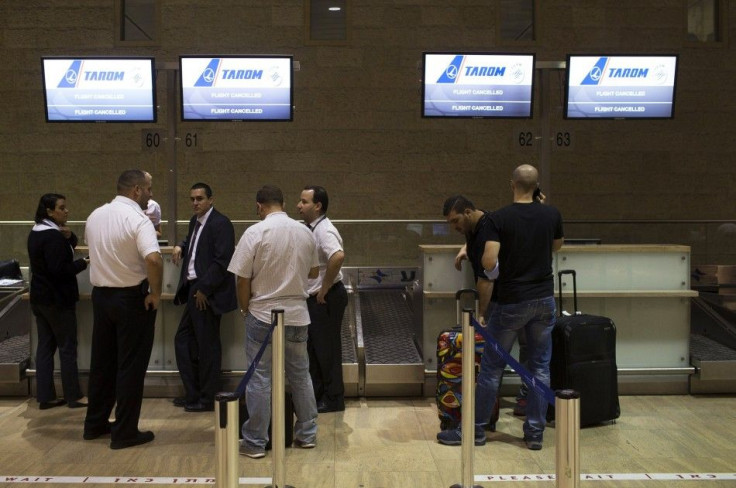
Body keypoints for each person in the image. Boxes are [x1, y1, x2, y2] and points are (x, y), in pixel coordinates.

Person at [438, 164, 564, 451]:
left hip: (512, 301)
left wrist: (488, 265)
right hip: (544, 299)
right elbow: (557, 246)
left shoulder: (500, 218)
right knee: (540, 367)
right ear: (536, 185)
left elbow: (489, 261)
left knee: (492, 369)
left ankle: (476, 431)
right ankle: (534, 434)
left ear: (512, 185)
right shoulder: (552, 213)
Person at [228, 185, 319, 459]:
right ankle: (307, 434)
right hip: (298, 314)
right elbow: (314, 270)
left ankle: (255, 442)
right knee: (300, 375)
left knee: (260, 378)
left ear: (259, 206)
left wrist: (245, 310)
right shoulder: (305, 231)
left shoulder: (255, 232)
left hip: (262, 314)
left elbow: (242, 279)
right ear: (283, 203)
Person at [83, 169, 163, 450]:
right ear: (137, 191)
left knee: (102, 364)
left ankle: (94, 424)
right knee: (130, 366)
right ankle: (125, 431)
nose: (152, 195)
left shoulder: (95, 215)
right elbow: (153, 259)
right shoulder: (137, 219)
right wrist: (155, 293)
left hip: (101, 298)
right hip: (131, 300)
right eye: (149, 189)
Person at [171, 183, 237, 412]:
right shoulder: (195, 222)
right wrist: (181, 245)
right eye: (192, 199)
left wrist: (204, 289)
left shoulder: (221, 223)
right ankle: (193, 393)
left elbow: (223, 261)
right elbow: (194, 242)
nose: (195, 203)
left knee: (207, 346)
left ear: (211, 199)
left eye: (199, 198)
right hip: (192, 290)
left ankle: (208, 398)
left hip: (207, 294)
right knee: (183, 341)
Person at [27, 193, 89, 410]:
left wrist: (70, 236)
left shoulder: (37, 232)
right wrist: (83, 263)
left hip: (40, 299)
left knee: (45, 347)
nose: (66, 211)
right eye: (61, 208)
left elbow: (65, 245)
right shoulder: (52, 237)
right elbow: (60, 270)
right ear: (50, 211)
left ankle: (46, 396)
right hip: (57, 300)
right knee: (67, 347)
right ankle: (74, 395)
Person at [297, 185, 348, 413]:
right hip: (316, 298)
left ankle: (333, 398)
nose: (299, 206)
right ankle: (319, 396)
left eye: (304, 202)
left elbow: (337, 256)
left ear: (317, 206)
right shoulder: (310, 228)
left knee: (327, 351)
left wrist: (324, 288)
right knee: (315, 350)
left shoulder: (324, 229)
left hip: (326, 298)